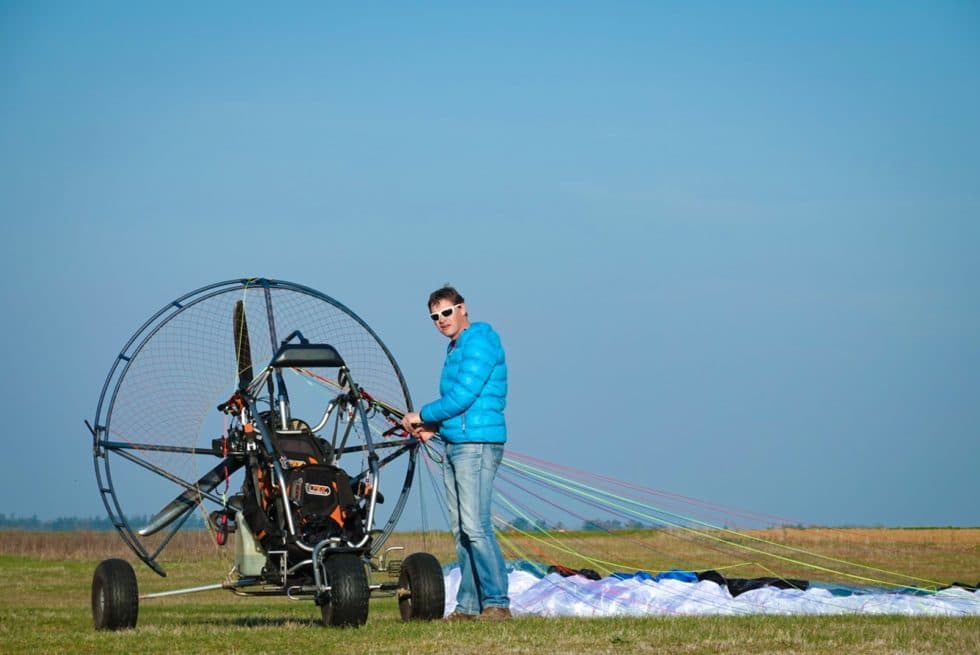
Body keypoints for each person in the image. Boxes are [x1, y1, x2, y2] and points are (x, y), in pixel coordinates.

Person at [400, 285, 511, 621]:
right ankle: (469, 606)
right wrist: (433, 427)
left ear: (462, 309)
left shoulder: (479, 341)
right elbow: (459, 407)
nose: (441, 320)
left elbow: (464, 395)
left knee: (476, 527)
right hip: (455, 443)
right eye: (434, 317)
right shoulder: (455, 348)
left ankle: (497, 603)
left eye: (446, 312)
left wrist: (422, 415)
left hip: (476, 446)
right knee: (461, 530)